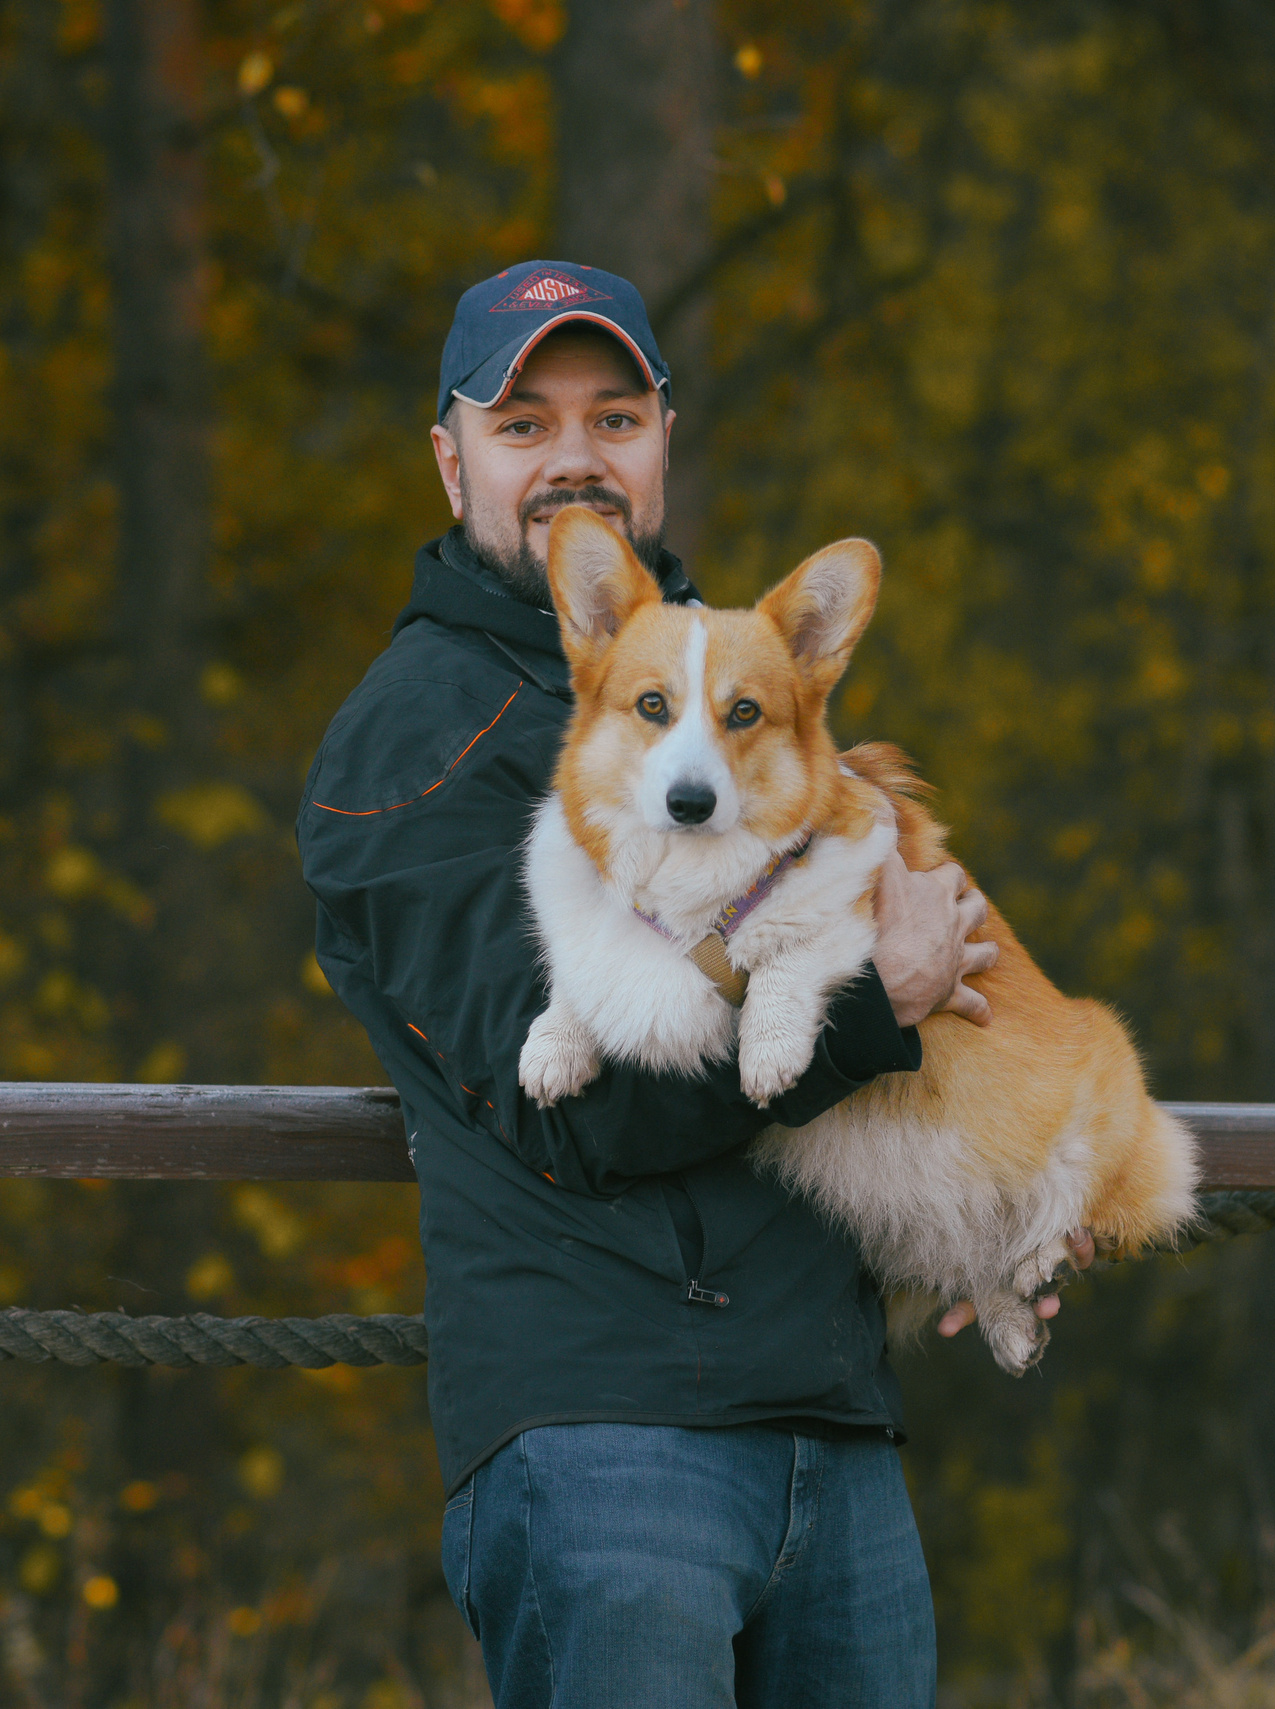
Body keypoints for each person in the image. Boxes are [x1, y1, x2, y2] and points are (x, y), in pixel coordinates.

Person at [296, 260, 1076, 1707]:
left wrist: (1006, 1201)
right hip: (604, 1450)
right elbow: (572, 1118)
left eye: (614, 416)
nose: (575, 457)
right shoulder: (410, 742)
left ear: (664, 436)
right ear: (449, 453)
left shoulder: (746, 692)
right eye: (523, 421)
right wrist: (868, 1012)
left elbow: (940, 967)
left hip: (832, 1436)